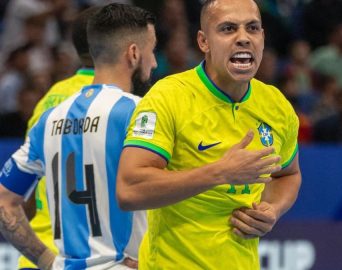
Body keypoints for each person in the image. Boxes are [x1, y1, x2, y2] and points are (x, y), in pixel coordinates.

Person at [117, 0, 302, 269]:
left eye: (252, 28)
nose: (243, 38)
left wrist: (272, 209)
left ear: (262, 37)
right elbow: (129, 190)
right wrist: (220, 173)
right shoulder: (168, 97)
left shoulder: (276, 105)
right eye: (228, 29)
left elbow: (288, 173)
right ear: (204, 42)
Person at [0, 3, 157, 269]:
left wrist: (47, 260)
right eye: (151, 52)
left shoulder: (49, 116)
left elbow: (4, 199)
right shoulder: (140, 112)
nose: (153, 62)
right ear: (133, 54)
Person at [15, 6, 99, 270]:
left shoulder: (48, 99)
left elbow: (26, 185)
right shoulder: (122, 102)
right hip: (93, 257)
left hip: (41, 251)